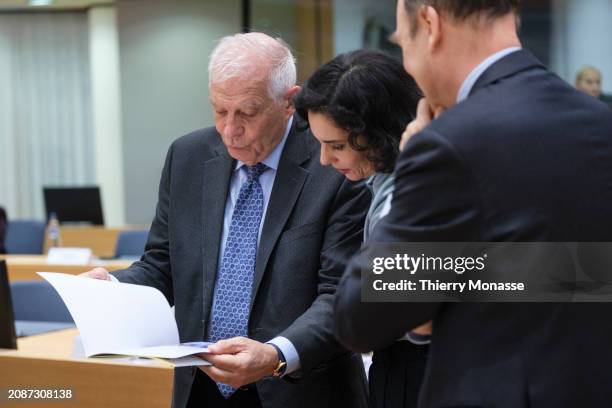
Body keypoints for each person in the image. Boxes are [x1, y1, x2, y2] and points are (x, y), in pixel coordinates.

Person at [334, 1, 612, 407]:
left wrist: (407, 168)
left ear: (429, 23)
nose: (407, 64)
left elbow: (360, 318)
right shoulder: (598, 121)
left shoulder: (446, 142)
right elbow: (589, 273)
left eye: (402, 42)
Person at [83, 32, 369, 408]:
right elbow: (161, 265)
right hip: (200, 388)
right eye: (219, 110)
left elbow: (340, 295)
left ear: (289, 103)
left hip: (300, 389)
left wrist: (277, 355)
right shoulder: (187, 157)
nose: (230, 130)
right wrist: (114, 287)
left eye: (247, 113)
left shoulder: (333, 161)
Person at [294, 49, 427, 408]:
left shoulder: (411, 195)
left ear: (378, 134)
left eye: (336, 146)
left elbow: (372, 321)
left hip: (420, 373)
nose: (324, 160)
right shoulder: (378, 185)